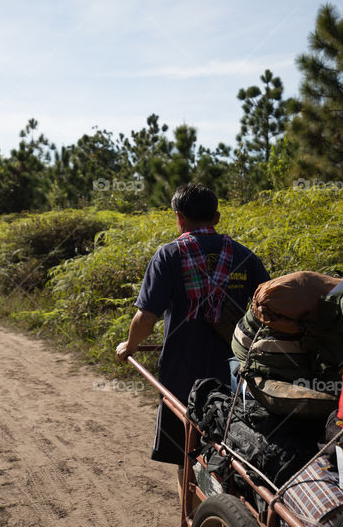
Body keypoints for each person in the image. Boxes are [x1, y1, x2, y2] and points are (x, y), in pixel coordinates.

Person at [115, 183, 270, 497]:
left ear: (179, 217)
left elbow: (147, 316)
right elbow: (269, 308)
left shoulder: (169, 255)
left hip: (182, 374)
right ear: (217, 216)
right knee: (232, 443)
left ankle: (196, 511)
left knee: (186, 449)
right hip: (235, 375)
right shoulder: (245, 257)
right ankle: (227, 502)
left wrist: (128, 347)